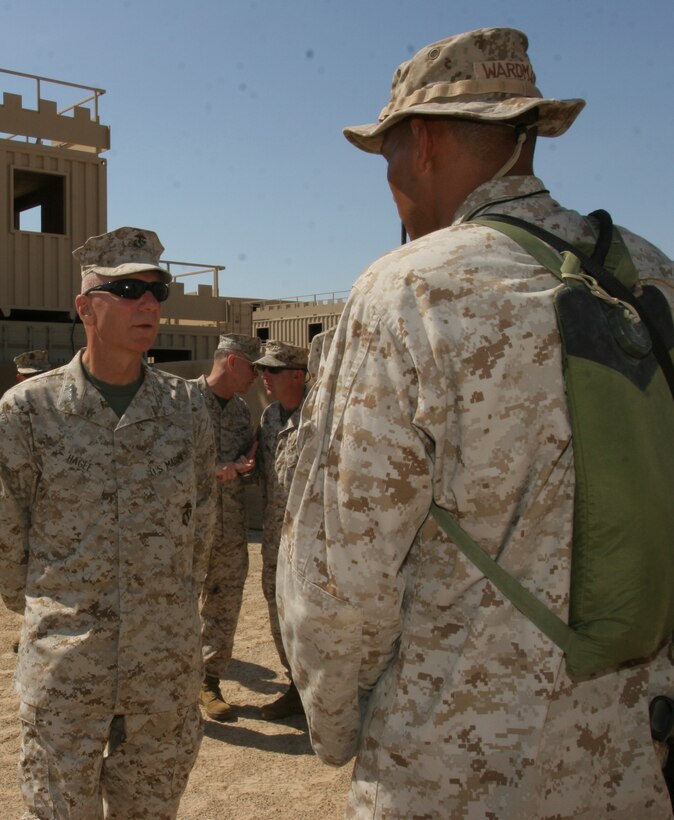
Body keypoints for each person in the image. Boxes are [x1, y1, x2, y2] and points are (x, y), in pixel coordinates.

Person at [276, 28, 674, 818]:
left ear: (420, 141)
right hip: (633, 748)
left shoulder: (408, 289)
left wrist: (336, 722)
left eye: (384, 154)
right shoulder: (648, 273)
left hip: (454, 765)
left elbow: (340, 573)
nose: (387, 178)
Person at [0, 226, 216, 819]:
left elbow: (201, 527)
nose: (148, 304)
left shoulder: (188, 408)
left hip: (163, 671)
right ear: (84, 307)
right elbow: (7, 536)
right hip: (69, 670)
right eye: (126, 289)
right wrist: (57, 612)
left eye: (158, 290)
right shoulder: (29, 411)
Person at [193, 333, 260, 721]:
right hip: (187, 528)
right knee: (177, 604)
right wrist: (212, 469)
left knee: (223, 605)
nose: (257, 378)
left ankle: (209, 681)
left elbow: (236, 466)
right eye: (253, 368)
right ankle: (174, 681)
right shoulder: (181, 403)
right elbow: (159, 462)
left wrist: (243, 466)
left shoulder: (240, 411)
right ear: (233, 362)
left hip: (230, 528)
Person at [254, 339, 309, 720]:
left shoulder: (321, 416)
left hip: (310, 537)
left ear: (297, 375)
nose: (264, 377)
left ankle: (319, 692)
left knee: (310, 613)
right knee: (278, 610)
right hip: (275, 536)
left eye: (271, 370)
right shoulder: (270, 417)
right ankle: (295, 686)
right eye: (262, 370)